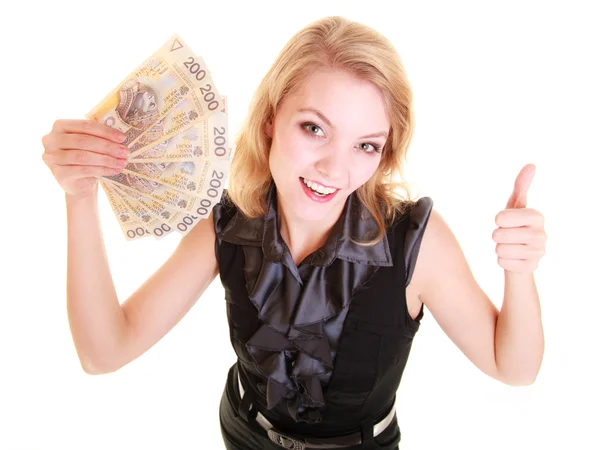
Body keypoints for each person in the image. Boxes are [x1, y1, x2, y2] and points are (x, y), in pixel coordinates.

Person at [41, 16, 546, 450]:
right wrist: (80, 196)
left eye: (366, 146)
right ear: (269, 120)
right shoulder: (230, 222)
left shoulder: (416, 241)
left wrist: (519, 271)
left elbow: (514, 368)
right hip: (243, 433)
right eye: (314, 128)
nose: (334, 167)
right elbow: (104, 351)